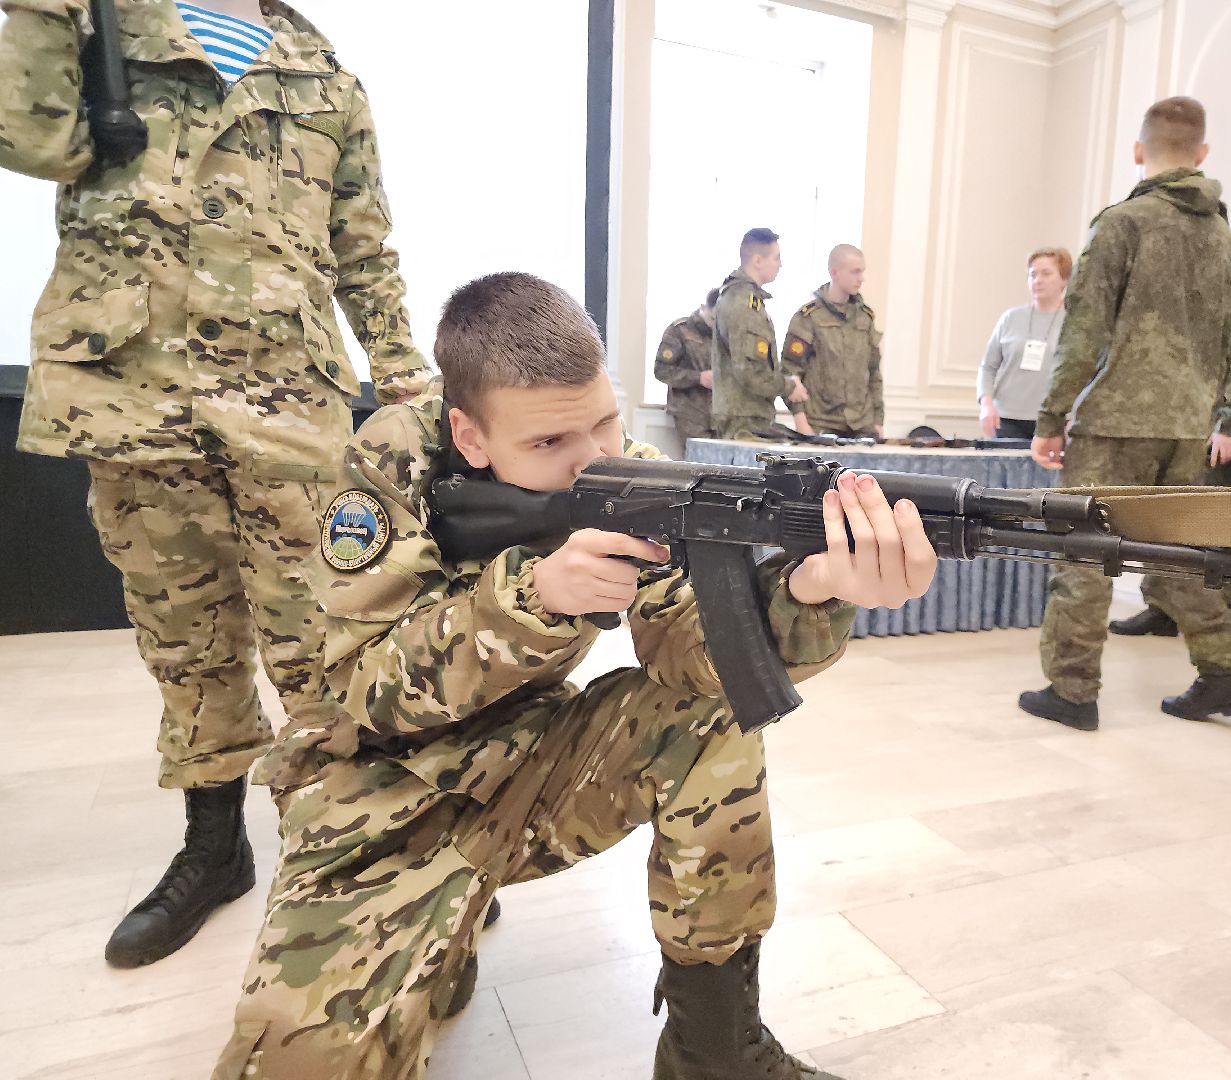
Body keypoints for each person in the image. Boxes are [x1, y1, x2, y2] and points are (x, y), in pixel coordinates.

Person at [211, 272, 937, 1079]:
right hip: (377, 802)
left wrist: (809, 590)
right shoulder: (389, 467)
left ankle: (715, 1053)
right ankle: (435, 933)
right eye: (551, 443)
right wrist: (533, 599)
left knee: (711, 718)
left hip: (532, 764)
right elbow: (362, 686)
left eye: (604, 423)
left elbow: (688, 654)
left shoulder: (634, 473)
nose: (593, 461)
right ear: (471, 434)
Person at [0, 0, 433, 966]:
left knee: (319, 635)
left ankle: (351, 838)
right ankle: (214, 844)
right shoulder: (105, 26)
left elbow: (364, 248)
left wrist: (409, 384)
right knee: (184, 636)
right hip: (135, 391)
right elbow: (28, 136)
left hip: (288, 401)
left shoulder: (328, 77)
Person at [1021, 96, 1231, 731]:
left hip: (1118, 419)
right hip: (1187, 423)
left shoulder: (1123, 223)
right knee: (1176, 551)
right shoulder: (1224, 239)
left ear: (1138, 151)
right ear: (1202, 154)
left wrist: (1050, 417)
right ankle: (1223, 672)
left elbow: (1085, 329)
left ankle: (1071, 691)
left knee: (1085, 550)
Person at [1110, 229, 1231, 639]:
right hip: (1182, 424)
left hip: (1219, 430)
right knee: (1169, 521)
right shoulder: (1199, 283)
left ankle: (1227, 618)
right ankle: (1164, 607)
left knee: (1220, 526)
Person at [712, 227, 807, 440]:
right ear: (757, 260)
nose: (780, 264)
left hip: (750, 415)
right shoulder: (744, 304)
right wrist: (788, 386)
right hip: (743, 419)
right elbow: (749, 370)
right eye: (776, 258)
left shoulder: (747, 299)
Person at [783, 244, 886, 439]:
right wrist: (801, 422)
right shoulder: (808, 317)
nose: (861, 278)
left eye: (862, 272)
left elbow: (874, 373)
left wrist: (878, 421)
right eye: (855, 272)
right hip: (821, 423)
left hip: (861, 424)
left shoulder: (865, 317)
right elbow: (790, 372)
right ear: (835, 272)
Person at [976, 248, 1072, 441]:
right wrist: (986, 404)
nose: (1038, 280)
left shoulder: (1074, 323)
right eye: (1033, 274)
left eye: (1046, 274)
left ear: (1063, 279)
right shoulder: (1010, 318)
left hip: (1054, 420)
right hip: (1007, 418)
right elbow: (988, 367)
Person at [654, 288, 720, 447]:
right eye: (713, 319)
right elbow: (661, 370)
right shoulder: (680, 330)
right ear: (704, 307)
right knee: (699, 467)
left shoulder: (726, 333)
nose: (715, 325)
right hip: (691, 413)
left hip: (721, 416)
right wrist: (698, 378)